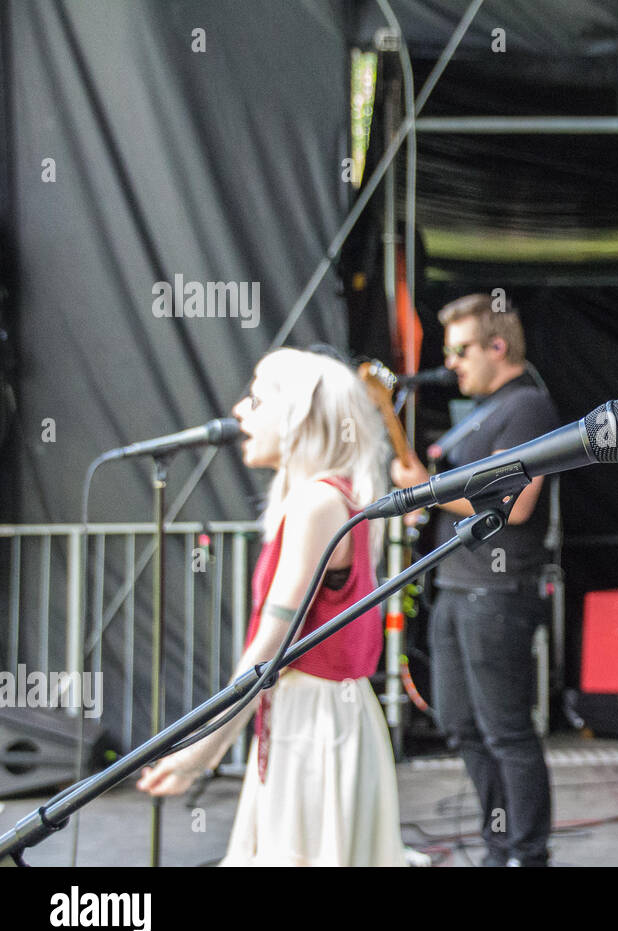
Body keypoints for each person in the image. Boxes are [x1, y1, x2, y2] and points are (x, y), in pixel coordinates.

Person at [138, 346, 406, 867]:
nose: (239, 411)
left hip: (314, 723)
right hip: (313, 716)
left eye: (257, 400)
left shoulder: (318, 503)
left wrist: (206, 749)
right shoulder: (328, 497)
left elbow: (271, 643)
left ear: (298, 420)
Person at [391, 293, 559, 866]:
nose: (453, 363)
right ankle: (498, 847)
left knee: (506, 731)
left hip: (499, 590)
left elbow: (516, 503)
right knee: (460, 726)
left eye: (461, 350)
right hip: (456, 588)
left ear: (497, 345)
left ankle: (527, 854)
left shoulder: (528, 406)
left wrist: (427, 491)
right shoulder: (480, 413)